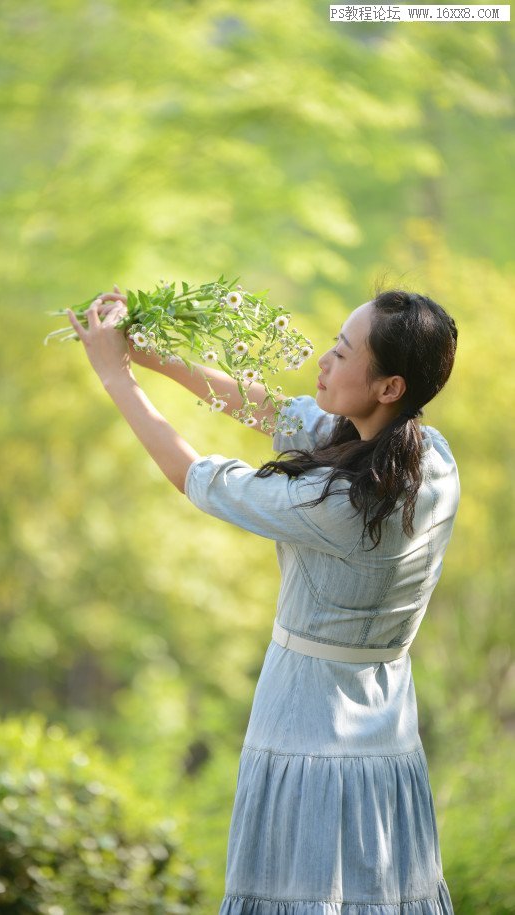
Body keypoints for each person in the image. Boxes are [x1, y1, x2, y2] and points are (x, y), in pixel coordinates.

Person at [67, 285, 459, 914]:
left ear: (389, 386)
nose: (323, 362)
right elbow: (276, 413)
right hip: (386, 727)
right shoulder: (431, 462)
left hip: (308, 722)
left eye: (341, 352)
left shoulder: (342, 505)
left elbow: (197, 477)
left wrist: (115, 375)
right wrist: (149, 355)